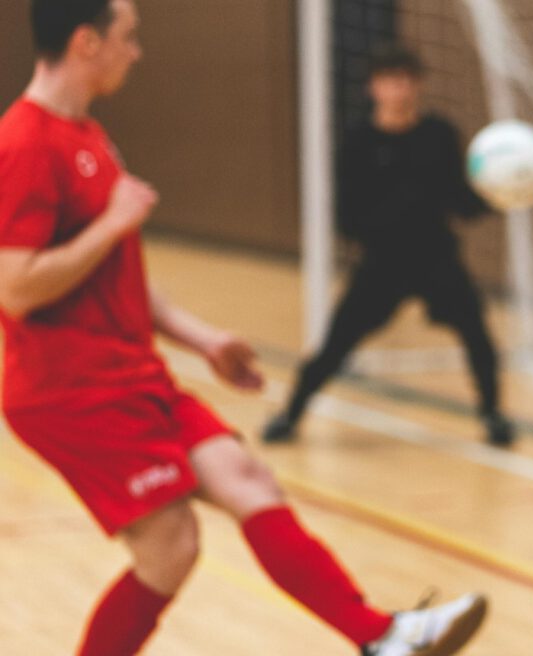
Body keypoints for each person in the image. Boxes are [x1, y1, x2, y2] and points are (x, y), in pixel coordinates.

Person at [0, 2, 487, 654]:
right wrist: (111, 223)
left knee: (246, 479)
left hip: (130, 372)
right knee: (170, 548)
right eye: (128, 38)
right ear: (87, 43)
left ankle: (383, 638)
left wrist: (203, 339)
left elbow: (118, 276)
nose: (137, 52)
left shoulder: (86, 134)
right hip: (73, 389)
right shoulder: (25, 144)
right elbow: (17, 287)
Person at [262, 45, 514, 448]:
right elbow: (347, 217)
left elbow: (461, 200)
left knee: (477, 334)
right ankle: (290, 413)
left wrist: (498, 194)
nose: (400, 89)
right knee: (336, 343)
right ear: (374, 88)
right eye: (390, 81)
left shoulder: (438, 135)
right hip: (384, 263)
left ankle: (493, 415)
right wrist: (391, 216)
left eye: (407, 80)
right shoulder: (359, 142)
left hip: (437, 258)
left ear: (419, 85)